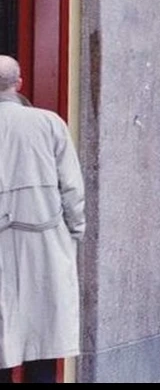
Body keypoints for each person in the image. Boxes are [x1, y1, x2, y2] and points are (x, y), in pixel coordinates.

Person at [0, 56, 85, 384]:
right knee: (44, 337)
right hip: (44, 241)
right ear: (19, 83)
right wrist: (74, 232)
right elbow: (72, 188)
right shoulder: (49, 124)